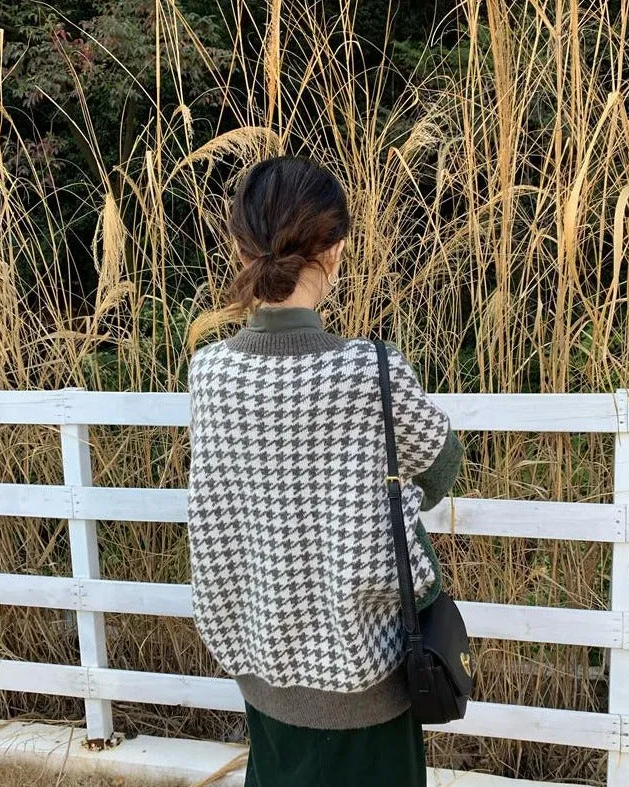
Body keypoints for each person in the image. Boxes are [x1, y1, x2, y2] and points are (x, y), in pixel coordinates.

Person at [186, 155, 464, 787]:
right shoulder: (370, 372)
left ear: (241, 245)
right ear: (335, 251)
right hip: (369, 681)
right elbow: (442, 465)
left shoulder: (211, 374)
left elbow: (218, 515)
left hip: (260, 672)